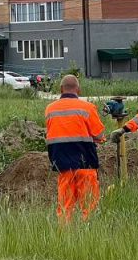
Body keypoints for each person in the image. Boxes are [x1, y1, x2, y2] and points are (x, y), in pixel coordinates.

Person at [44, 74, 105, 221]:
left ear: (61, 89)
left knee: (65, 206)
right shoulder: (87, 107)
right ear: (78, 89)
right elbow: (100, 135)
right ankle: (89, 234)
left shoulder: (50, 109)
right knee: (89, 205)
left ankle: (65, 237)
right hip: (86, 163)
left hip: (62, 164)